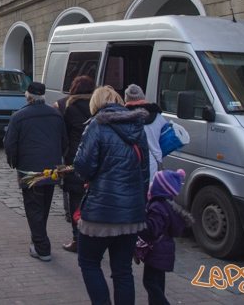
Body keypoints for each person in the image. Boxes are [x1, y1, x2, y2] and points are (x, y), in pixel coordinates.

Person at [74, 85, 150, 305]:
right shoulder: (137, 127)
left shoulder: (96, 126)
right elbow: (144, 171)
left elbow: (84, 167)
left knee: (89, 262)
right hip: (131, 213)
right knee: (123, 270)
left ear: (95, 104)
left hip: (101, 209)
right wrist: (139, 204)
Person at [4, 82, 68, 262]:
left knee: (34, 207)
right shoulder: (56, 115)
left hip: (30, 170)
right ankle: (38, 241)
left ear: (27, 96)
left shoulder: (19, 116)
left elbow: (10, 144)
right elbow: (64, 141)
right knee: (44, 205)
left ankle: (42, 247)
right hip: (52, 169)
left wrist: (14, 162)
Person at [137, 169, 194, 305]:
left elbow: (152, 230)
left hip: (157, 252)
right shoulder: (167, 205)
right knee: (158, 283)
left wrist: (140, 219)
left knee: (150, 283)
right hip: (163, 252)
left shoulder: (157, 206)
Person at [59, 75, 95, 254]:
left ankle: (77, 238)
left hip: (75, 157)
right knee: (92, 199)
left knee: (75, 199)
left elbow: (63, 135)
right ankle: (92, 239)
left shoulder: (70, 109)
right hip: (95, 157)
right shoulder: (98, 108)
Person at [124, 84, 165, 182]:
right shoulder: (157, 117)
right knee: (149, 194)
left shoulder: (123, 117)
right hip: (152, 163)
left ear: (126, 99)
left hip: (129, 162)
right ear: (143, 96)